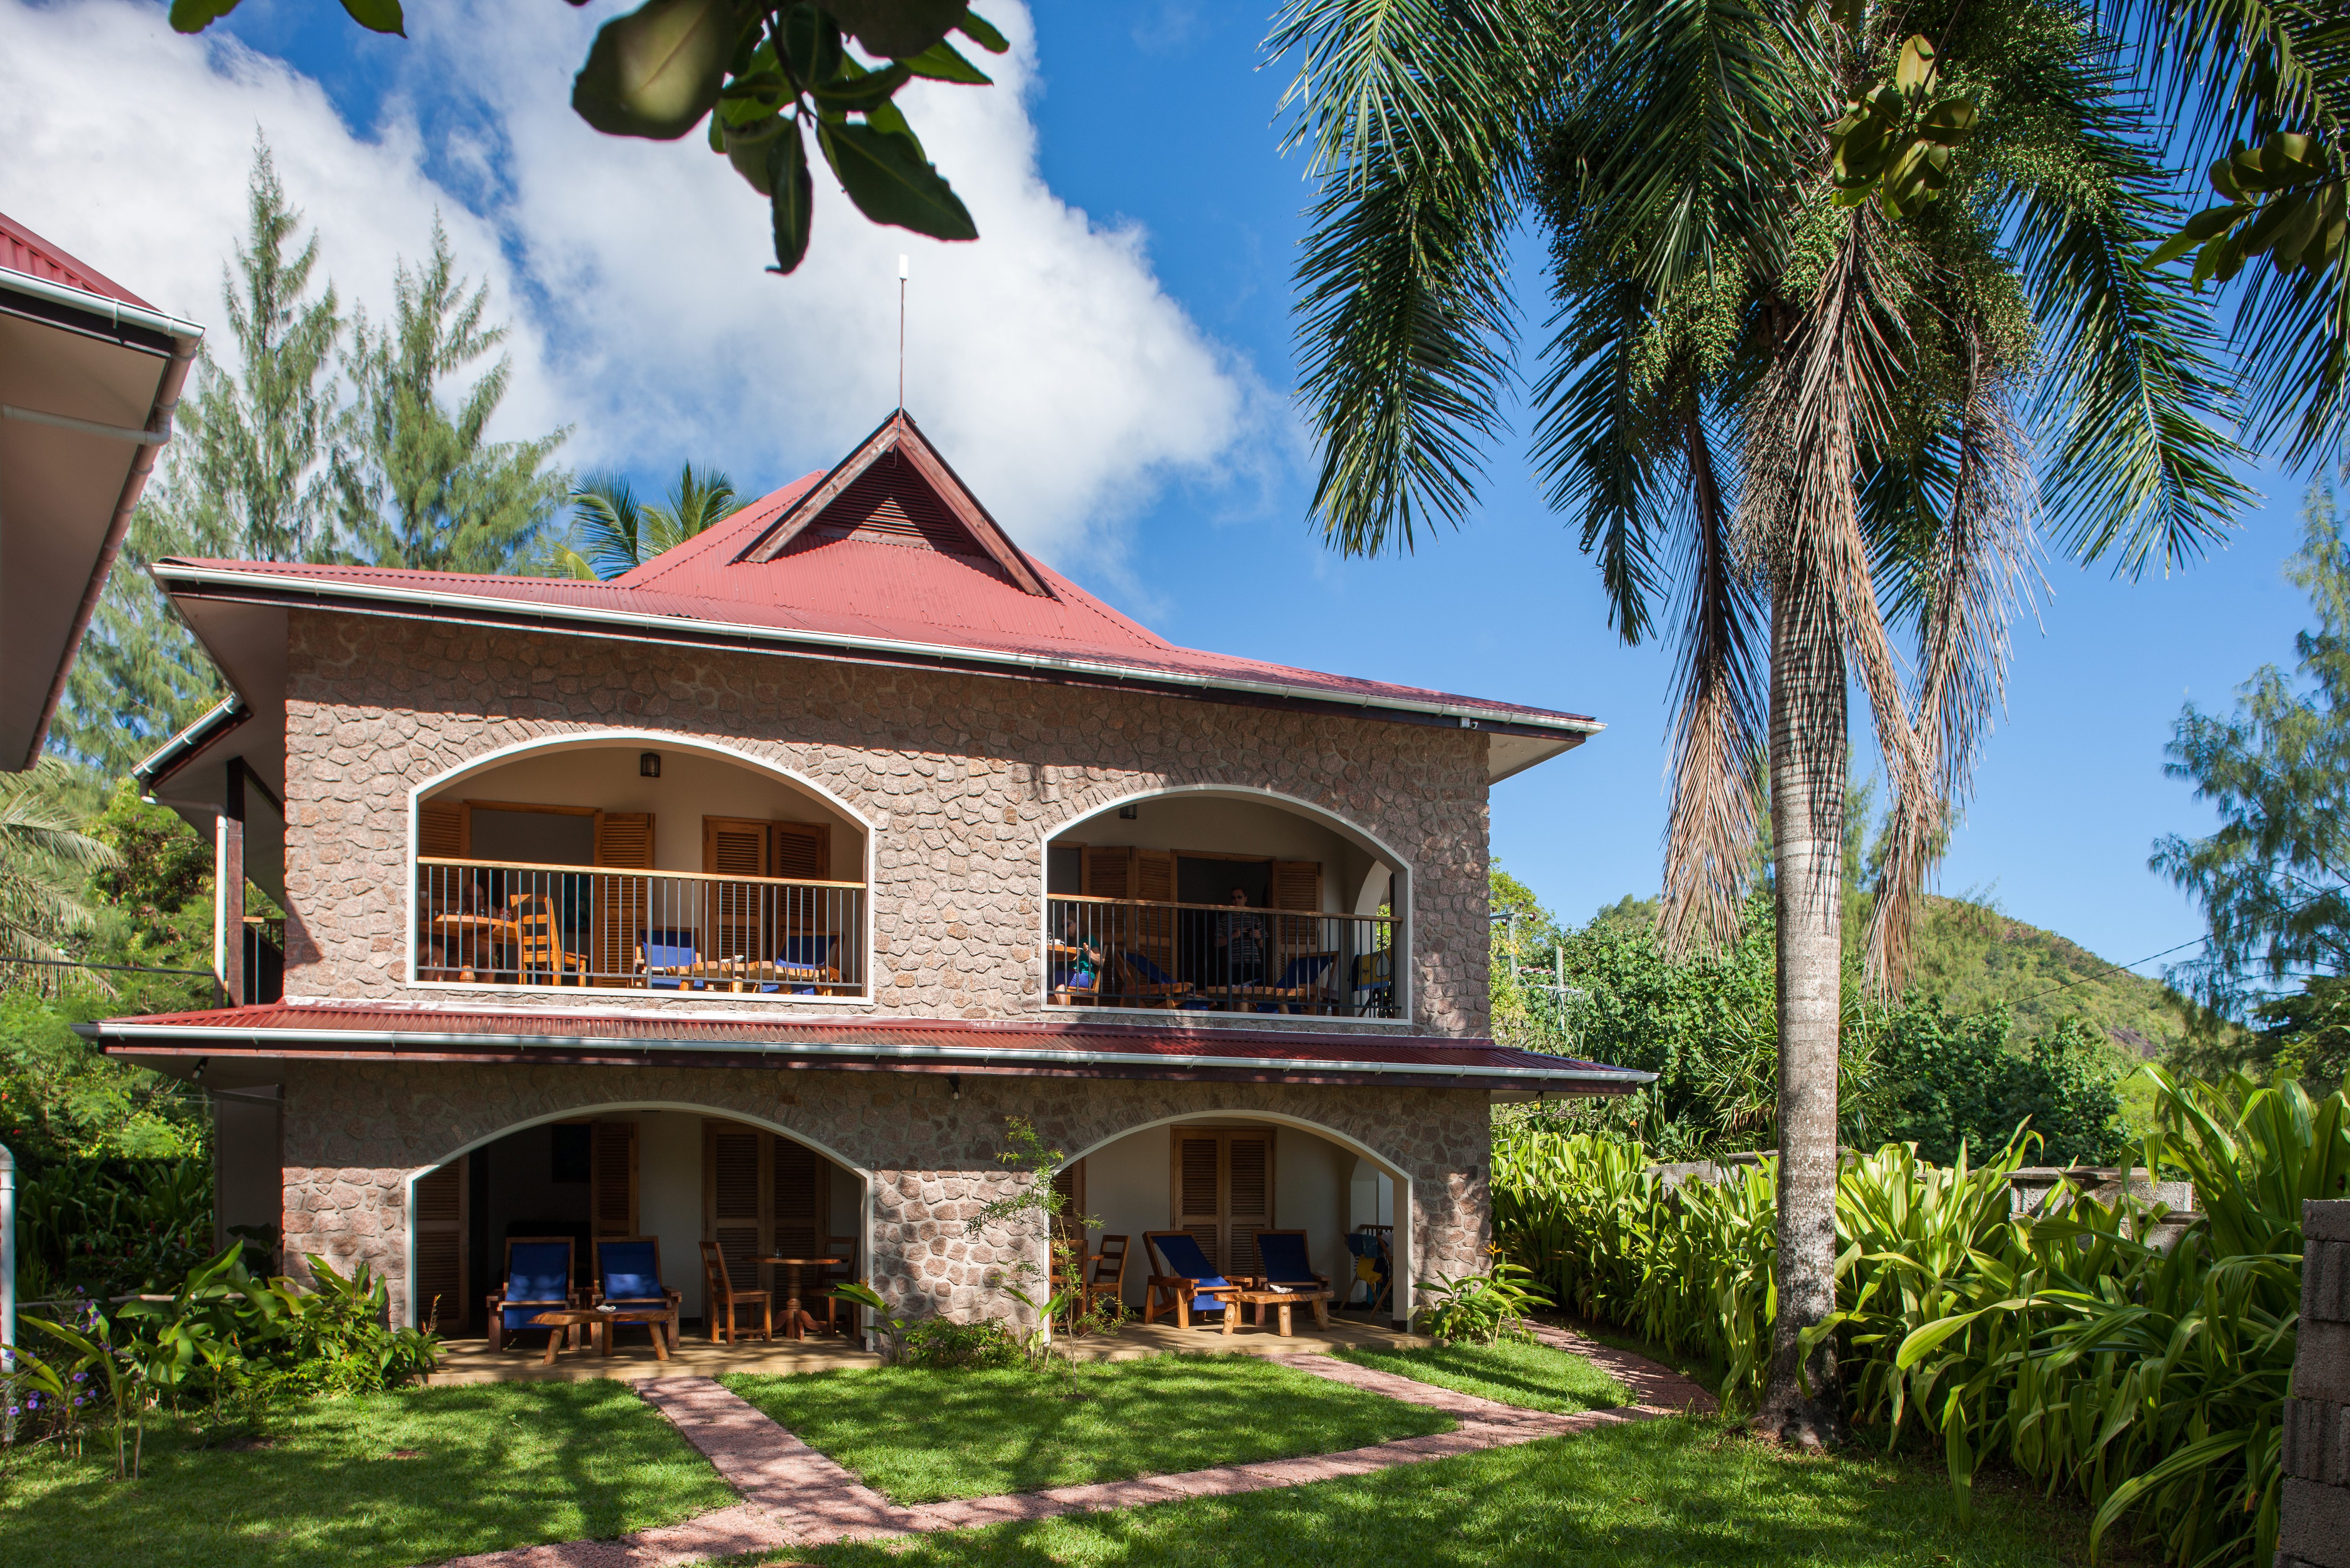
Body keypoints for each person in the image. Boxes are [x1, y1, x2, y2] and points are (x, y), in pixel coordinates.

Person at [1215, 886, 1266, 988]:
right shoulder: (1225, 920)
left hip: (1254, 962)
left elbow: (1262, 945)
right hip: (1235, 963)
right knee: (1236, 992)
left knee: (1257, 992)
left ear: (1245, 899)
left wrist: (1259, 937)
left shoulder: (1255, 919)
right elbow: (1217, 943)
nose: (1237, 900)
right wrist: (1234, 935)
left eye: (1239, 897)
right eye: (1234, 898)